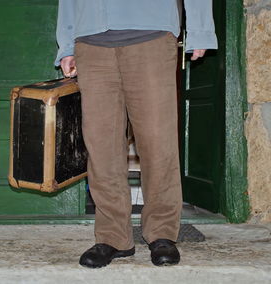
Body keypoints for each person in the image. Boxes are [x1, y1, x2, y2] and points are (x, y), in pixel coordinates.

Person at [55, 0, 217, 268]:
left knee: (157, 141)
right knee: (101, 146)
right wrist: (67, 45)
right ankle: (112, 236)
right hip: (91, 42)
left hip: (150, 36)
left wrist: (200, 30)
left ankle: (162, 232)